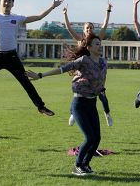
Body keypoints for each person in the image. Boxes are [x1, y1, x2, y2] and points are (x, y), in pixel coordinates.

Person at [27, 34, 106, 176]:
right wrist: (40, 75)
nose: (99, 46)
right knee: (89, 138)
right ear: (88, 47)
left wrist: (103, 98)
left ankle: (85, 165)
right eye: (96, 44)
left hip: (92, 103)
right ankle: (77, 166)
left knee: (97, 138)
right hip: (80, 103)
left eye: (100, 43)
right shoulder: (84, 60)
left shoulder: (103, 63)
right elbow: (63, 69)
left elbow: (101, 84)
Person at [0, 0, 63, 116]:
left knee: (26, 82)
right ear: (0, 3)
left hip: (12, 57)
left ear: (13, 4)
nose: (7, 3)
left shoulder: (17, 18)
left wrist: (52, 7)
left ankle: (41, 107)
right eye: (5, 1)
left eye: (9, 1)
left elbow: (39, 17)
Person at [63, 1, 113, 127]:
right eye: (87, 28)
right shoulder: (81, 40)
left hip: (95, 71)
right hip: (83, 72)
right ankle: (73, 113)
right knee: (78, 93)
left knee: (101, 93)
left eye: (91, 27)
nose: (89, 29)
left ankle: (107, 114)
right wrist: (65, 14)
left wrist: (108, 11)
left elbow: (105, 25)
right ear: (84, 30)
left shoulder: (97, 38)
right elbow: (69, 28)